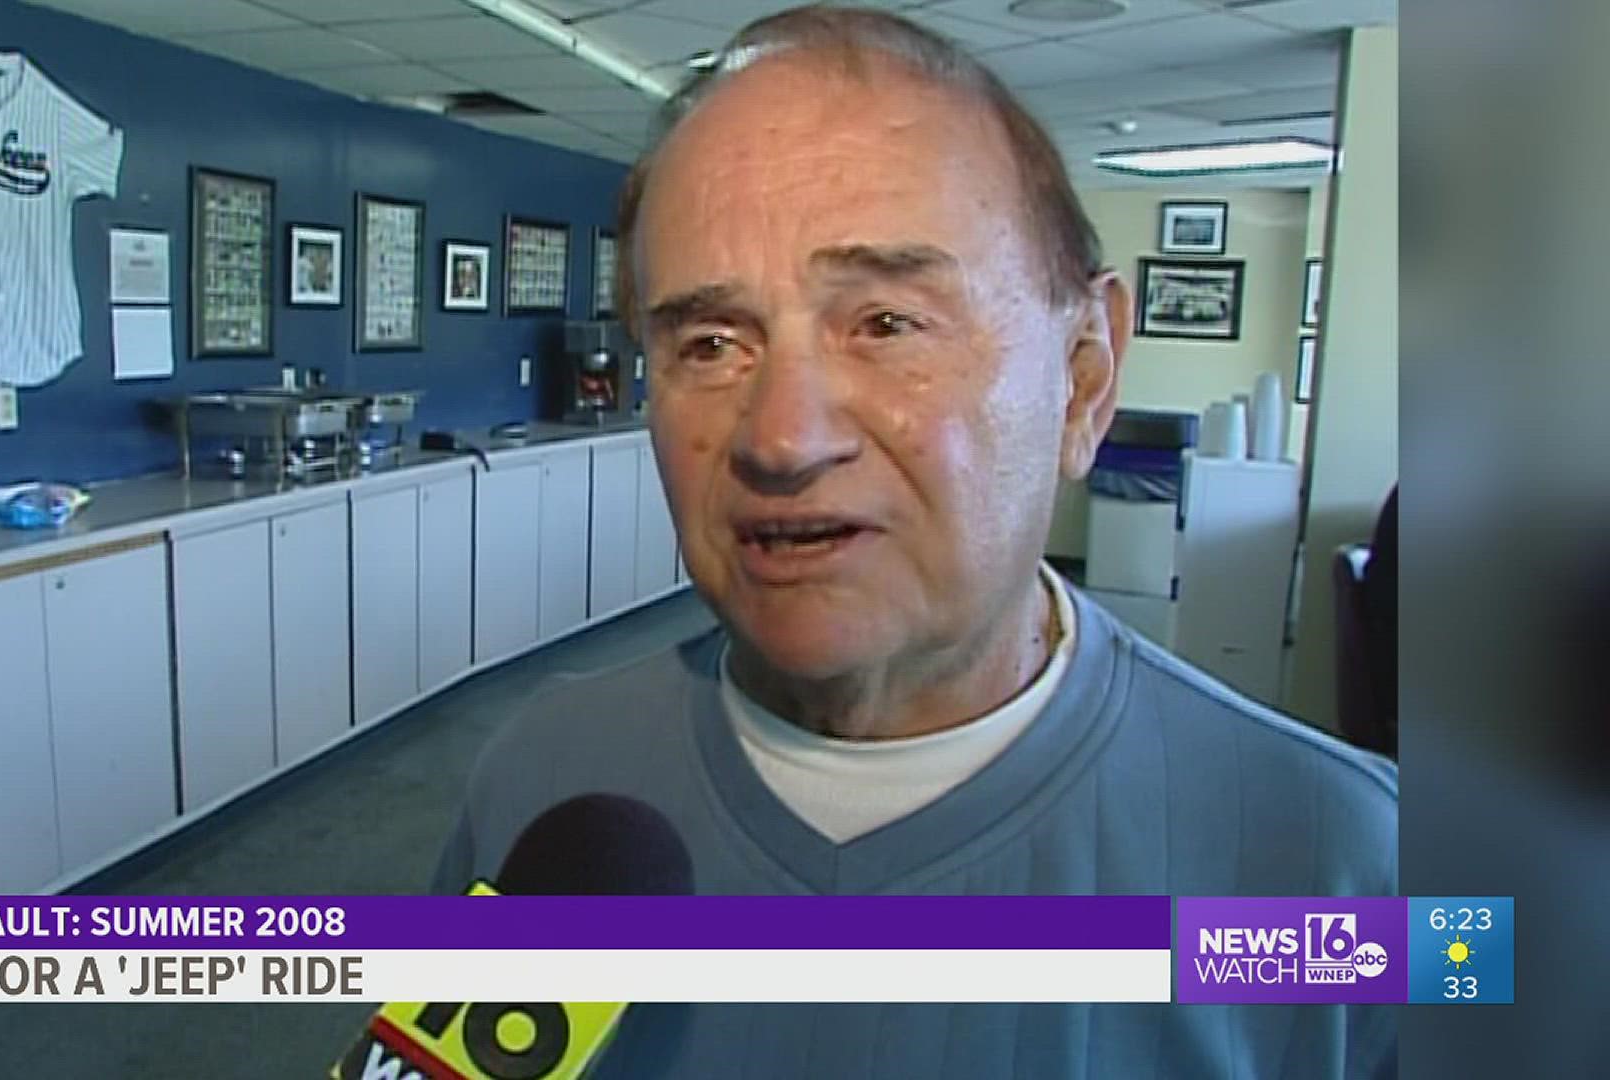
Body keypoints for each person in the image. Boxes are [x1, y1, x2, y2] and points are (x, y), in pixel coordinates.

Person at [434, 7, 1395, 1077]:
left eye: (887, 323)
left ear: (1083, 378)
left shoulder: (1349, 867)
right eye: (710, 342)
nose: (783, 436)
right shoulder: (544, 781)